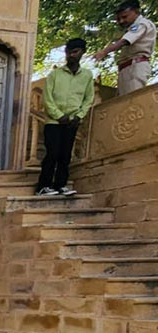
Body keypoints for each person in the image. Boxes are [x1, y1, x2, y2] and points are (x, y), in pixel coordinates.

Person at [36, 39, 94, 197]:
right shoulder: (55, 75)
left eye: (75, 52)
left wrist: (79, 116)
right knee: (52, 153)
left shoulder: (87, 76)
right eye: (68, 52)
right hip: (54, 122)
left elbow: (88, 99)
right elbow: (47, 99)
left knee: (65, 155)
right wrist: (59, 115)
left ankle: (60, 185)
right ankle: (43, 186)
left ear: (82, 52)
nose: (71, 55)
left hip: (72, 122)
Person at [93, 0, 155, 95]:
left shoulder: (142, 24)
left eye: (125, 17)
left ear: (136, 12)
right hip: (127, 67)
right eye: (118, 19)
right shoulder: (131, 28)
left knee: (133, 100)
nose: (121, 21)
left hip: (134, 66)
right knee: (124, 102)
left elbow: (124, 41)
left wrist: (104, 52)